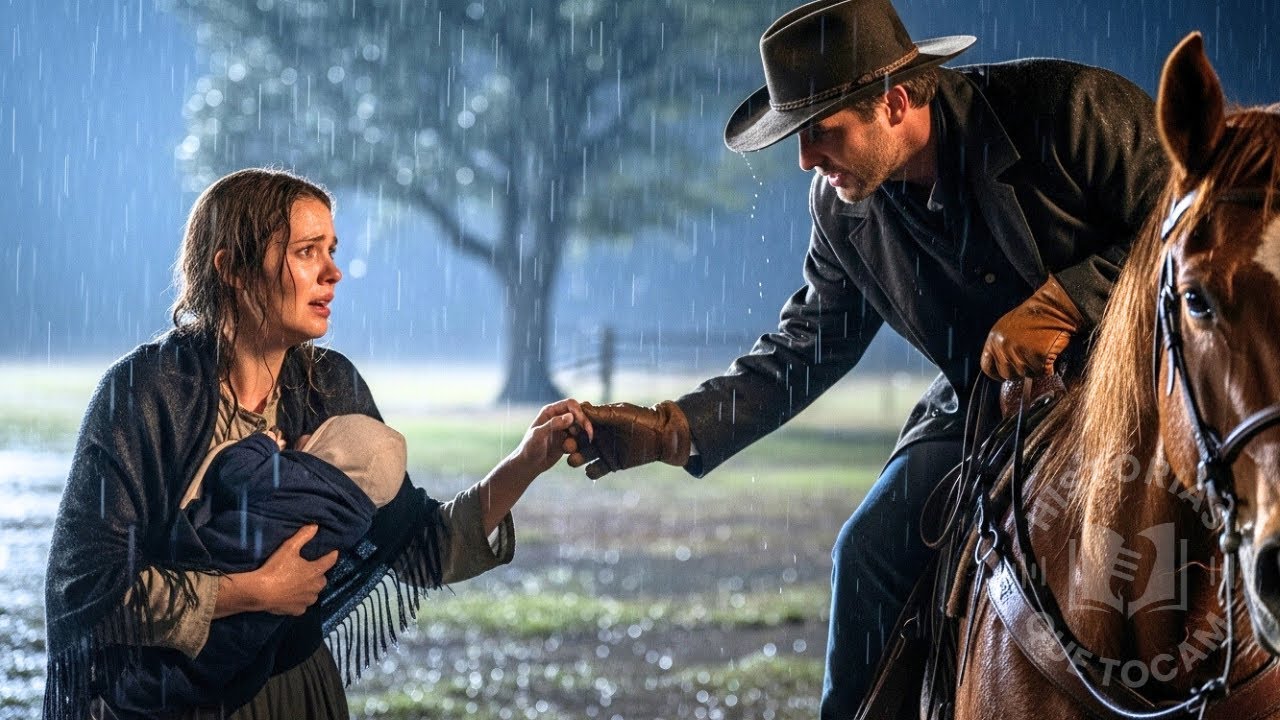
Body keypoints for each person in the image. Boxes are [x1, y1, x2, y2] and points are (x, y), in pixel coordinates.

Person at [562, 0, 1168, 717]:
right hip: (984, 414)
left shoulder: (1072, 112)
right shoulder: (840, 206)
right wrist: (672, 430)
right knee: (866, 555)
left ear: (897, 100)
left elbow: (1197, 224)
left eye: (821, 132)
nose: (805, 159)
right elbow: (803, 350)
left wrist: (1072, 300)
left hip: (1154, 392)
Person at [42, 167, 593, 720]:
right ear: (231, 268)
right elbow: (85, 590)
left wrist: (528, 461)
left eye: (331, 249)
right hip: (162, 703)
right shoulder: (146, 393)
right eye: (308, 252)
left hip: (296, 692)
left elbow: (423, 545)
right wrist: (252, 591)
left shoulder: (330, 387)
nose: (333, 272)